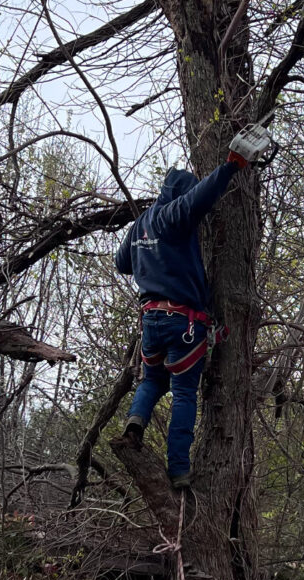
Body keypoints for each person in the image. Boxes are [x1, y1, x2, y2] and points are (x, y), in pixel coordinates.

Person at [114, 150, 250, 489]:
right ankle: (179, 469)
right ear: (180, 194)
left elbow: (122, 263)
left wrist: (150, 258)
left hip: (152, 322)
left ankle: (135, 422)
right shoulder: (174, 215)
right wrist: (231, 165)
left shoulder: (143, 222)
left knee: (152, 381)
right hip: (183, 324)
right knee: (185, 393)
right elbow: (201, 198)